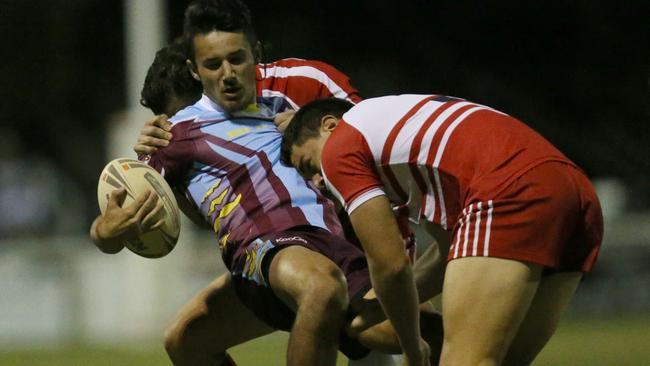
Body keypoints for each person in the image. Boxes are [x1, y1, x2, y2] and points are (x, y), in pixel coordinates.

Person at [93, 1, 438, 365]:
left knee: (408, 332)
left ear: (252, 56)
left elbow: (370, 150)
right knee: (312, 293)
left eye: (235, 60)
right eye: (213, 65)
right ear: (196, 73)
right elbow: (133, 211)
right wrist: (106, 231)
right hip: (268, 253)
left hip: (346, 243)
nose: (226, 73)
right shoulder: (178, 135)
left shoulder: (296, 97)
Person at [281, 95, 604, 365]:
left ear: (329, 125)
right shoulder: (406, 133)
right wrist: (380, 308)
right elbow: (449, 250)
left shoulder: (342, 145)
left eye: (309, 165)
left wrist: (412, 347)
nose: (318, 182)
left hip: (511, 187)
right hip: (574, 192)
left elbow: (390, 266)